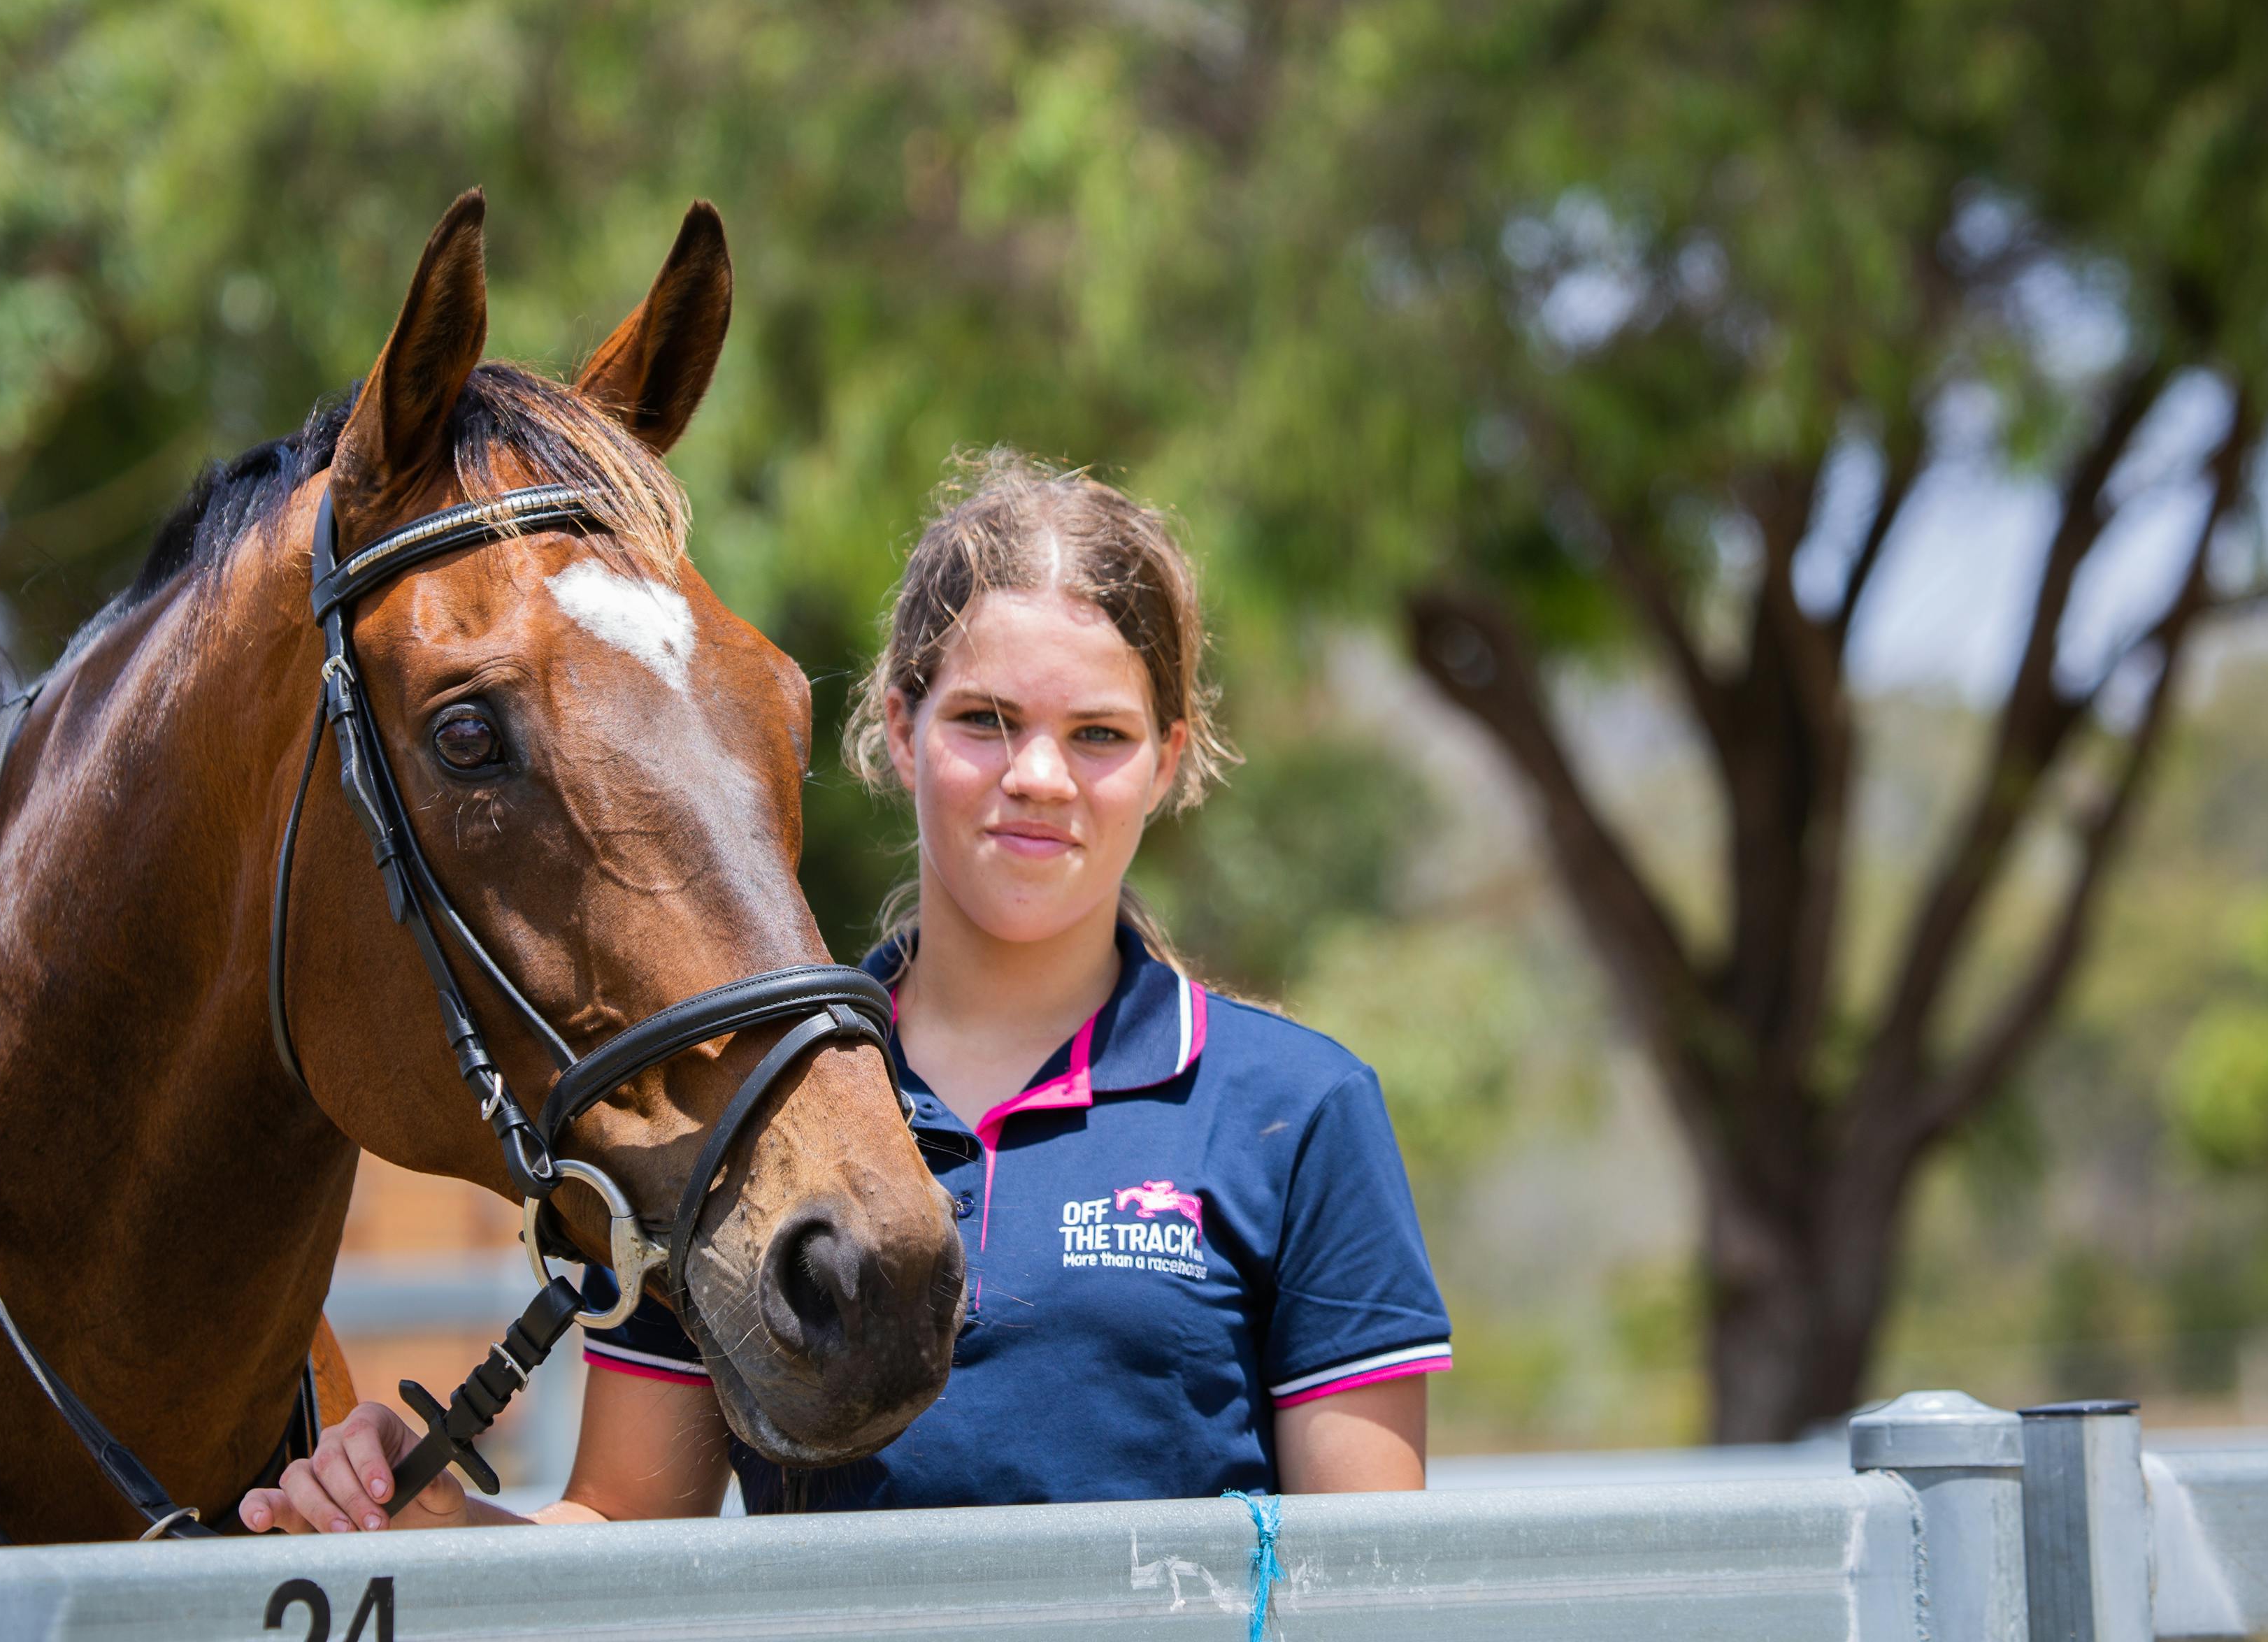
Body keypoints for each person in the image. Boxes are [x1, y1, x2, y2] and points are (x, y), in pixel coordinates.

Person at [243, 453, 1450, 1532]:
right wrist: (436, 1524)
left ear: (1169, 762)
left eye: (1099, 736)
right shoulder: (734, 1111)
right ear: (899, 725)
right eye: (985, 720)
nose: (1038, 776)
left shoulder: (1299, 1114)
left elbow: (1371, 1590)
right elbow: (619, 1537)